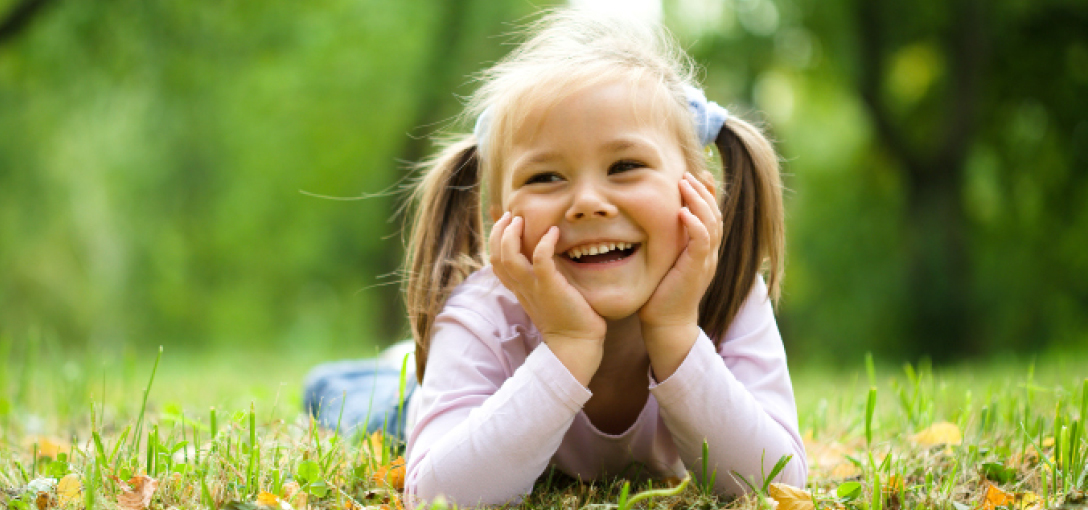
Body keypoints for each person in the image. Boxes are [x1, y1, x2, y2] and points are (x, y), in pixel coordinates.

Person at [305, 7, 806, 507]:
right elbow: (439, 495)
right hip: (438, 405)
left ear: (695, 193)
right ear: (502, 217)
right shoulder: (482, 313)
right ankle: (387, 373)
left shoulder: (728, 293)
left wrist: (675, 331)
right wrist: (568, 345)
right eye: (545, 177)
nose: (588, 202)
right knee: (359, 405)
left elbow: (775, 482)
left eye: (626, 165)